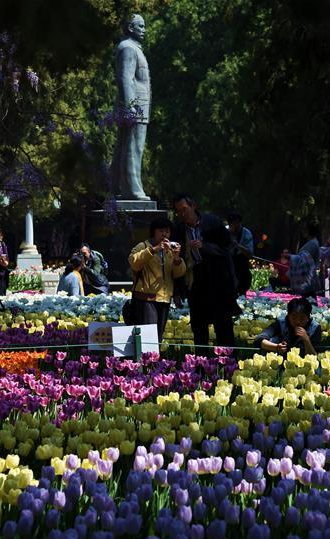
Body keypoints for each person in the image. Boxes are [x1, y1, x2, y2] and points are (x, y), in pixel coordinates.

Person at [172, 193, 241, 351]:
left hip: (218, 282)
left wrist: (205, 247)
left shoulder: (213, 222)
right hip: (195, 283)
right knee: (199, 328)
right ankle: (200, 369)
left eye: (184, 209)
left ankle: (228, 366)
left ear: (193, 206)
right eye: (178, 212)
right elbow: (175, 263)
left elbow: (227, 247)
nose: (182, 214)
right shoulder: (178, 229)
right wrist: (177, 291)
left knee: (223, 326)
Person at [110, 14, 151, 200]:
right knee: (134, 147)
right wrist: (131, 105)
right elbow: (125, 78)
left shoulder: (134, 48)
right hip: (135, 106)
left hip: (138, 105)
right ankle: (133, 189)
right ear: (130, 28)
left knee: (125, 146)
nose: (144, 30)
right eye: (140, 26)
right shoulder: (127, 48)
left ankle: (116, 187)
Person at [128, 217, 186, 341]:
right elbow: (134, 262)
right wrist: (154, 250)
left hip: (164, 299)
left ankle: (154, 360)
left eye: (167, 231)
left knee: (158, 336)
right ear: (153, 232)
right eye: (161, 231)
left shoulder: (170, 250)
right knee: (148, 337)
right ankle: (145, 360)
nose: (164, 234)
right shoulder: (143, 246)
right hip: (146, 298)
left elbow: (178, 273)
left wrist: (177, 259)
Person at [255, 297, 322, 356]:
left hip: (304, 365)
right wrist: (276, 347)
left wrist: (306, 340)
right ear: (288, 315)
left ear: (308, 317)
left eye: (302, 318)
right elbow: (259, 339)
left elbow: (314, 356)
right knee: (273, 340)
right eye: (294, 317)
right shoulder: (281, 323)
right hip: (280, 362)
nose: (298, 321)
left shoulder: (315, 327)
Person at [289, 222, 322, 296]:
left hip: (308, 278)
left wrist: (289, 257)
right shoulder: (312, 242)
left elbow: (304, 259)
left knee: (308, 299)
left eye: (305, 229)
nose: (303, 231)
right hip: (306, 277)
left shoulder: (312, 244)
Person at [227, 211, 254, 296]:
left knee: (243, 284)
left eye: (236, 223)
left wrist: (237, 245)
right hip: (228, 264)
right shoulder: (225, 232)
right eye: (232, 223)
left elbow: (250, 254)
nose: (234, 225)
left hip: (241, 265)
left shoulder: (246, 233)